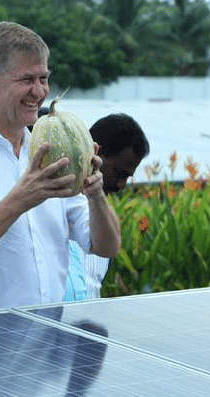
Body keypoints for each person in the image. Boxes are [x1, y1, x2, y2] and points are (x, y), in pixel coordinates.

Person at [0, 21, 120, 315]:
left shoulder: (54, 153)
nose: (39, 92)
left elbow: (106, 247)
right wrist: (20, 199)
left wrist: (94, 194)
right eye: (27, 79)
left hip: (48, 343)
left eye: (44, 78)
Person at [63, 113, 150, 301]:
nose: (122, 185)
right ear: (96, 152)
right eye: (119, 173)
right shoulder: (57, 199)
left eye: (128, 177)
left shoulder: (101, 209)